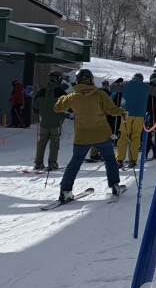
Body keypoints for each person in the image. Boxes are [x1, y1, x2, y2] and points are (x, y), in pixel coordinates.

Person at [53, 68, 126, 203]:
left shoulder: (73, 97)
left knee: (75, 163)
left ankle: (65, 191)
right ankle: (114, 185)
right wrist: (121, 111)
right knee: (110, 159)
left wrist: (62, 98)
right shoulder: (100, 94)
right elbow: (112, 110)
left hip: (82, 136)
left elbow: (57, 108)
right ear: (91, 80)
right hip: (101, 135)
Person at [32, 70, 68, 171]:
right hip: (56, 122)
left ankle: (38, 163)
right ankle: (52, 163)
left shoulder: (41, 91)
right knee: (54, 144)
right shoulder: (60, 91)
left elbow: (35, 107)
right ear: (58, 79)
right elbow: (68, 106)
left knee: (41, 142)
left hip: (44, 122)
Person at [115, 73, 149, 169]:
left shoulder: (126, 84)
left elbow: (112, 88)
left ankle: (119, 160)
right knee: (136, 137)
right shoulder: (145, 86)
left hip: (126, 113)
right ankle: (133, 160)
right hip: (140, 114)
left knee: (123, 136)